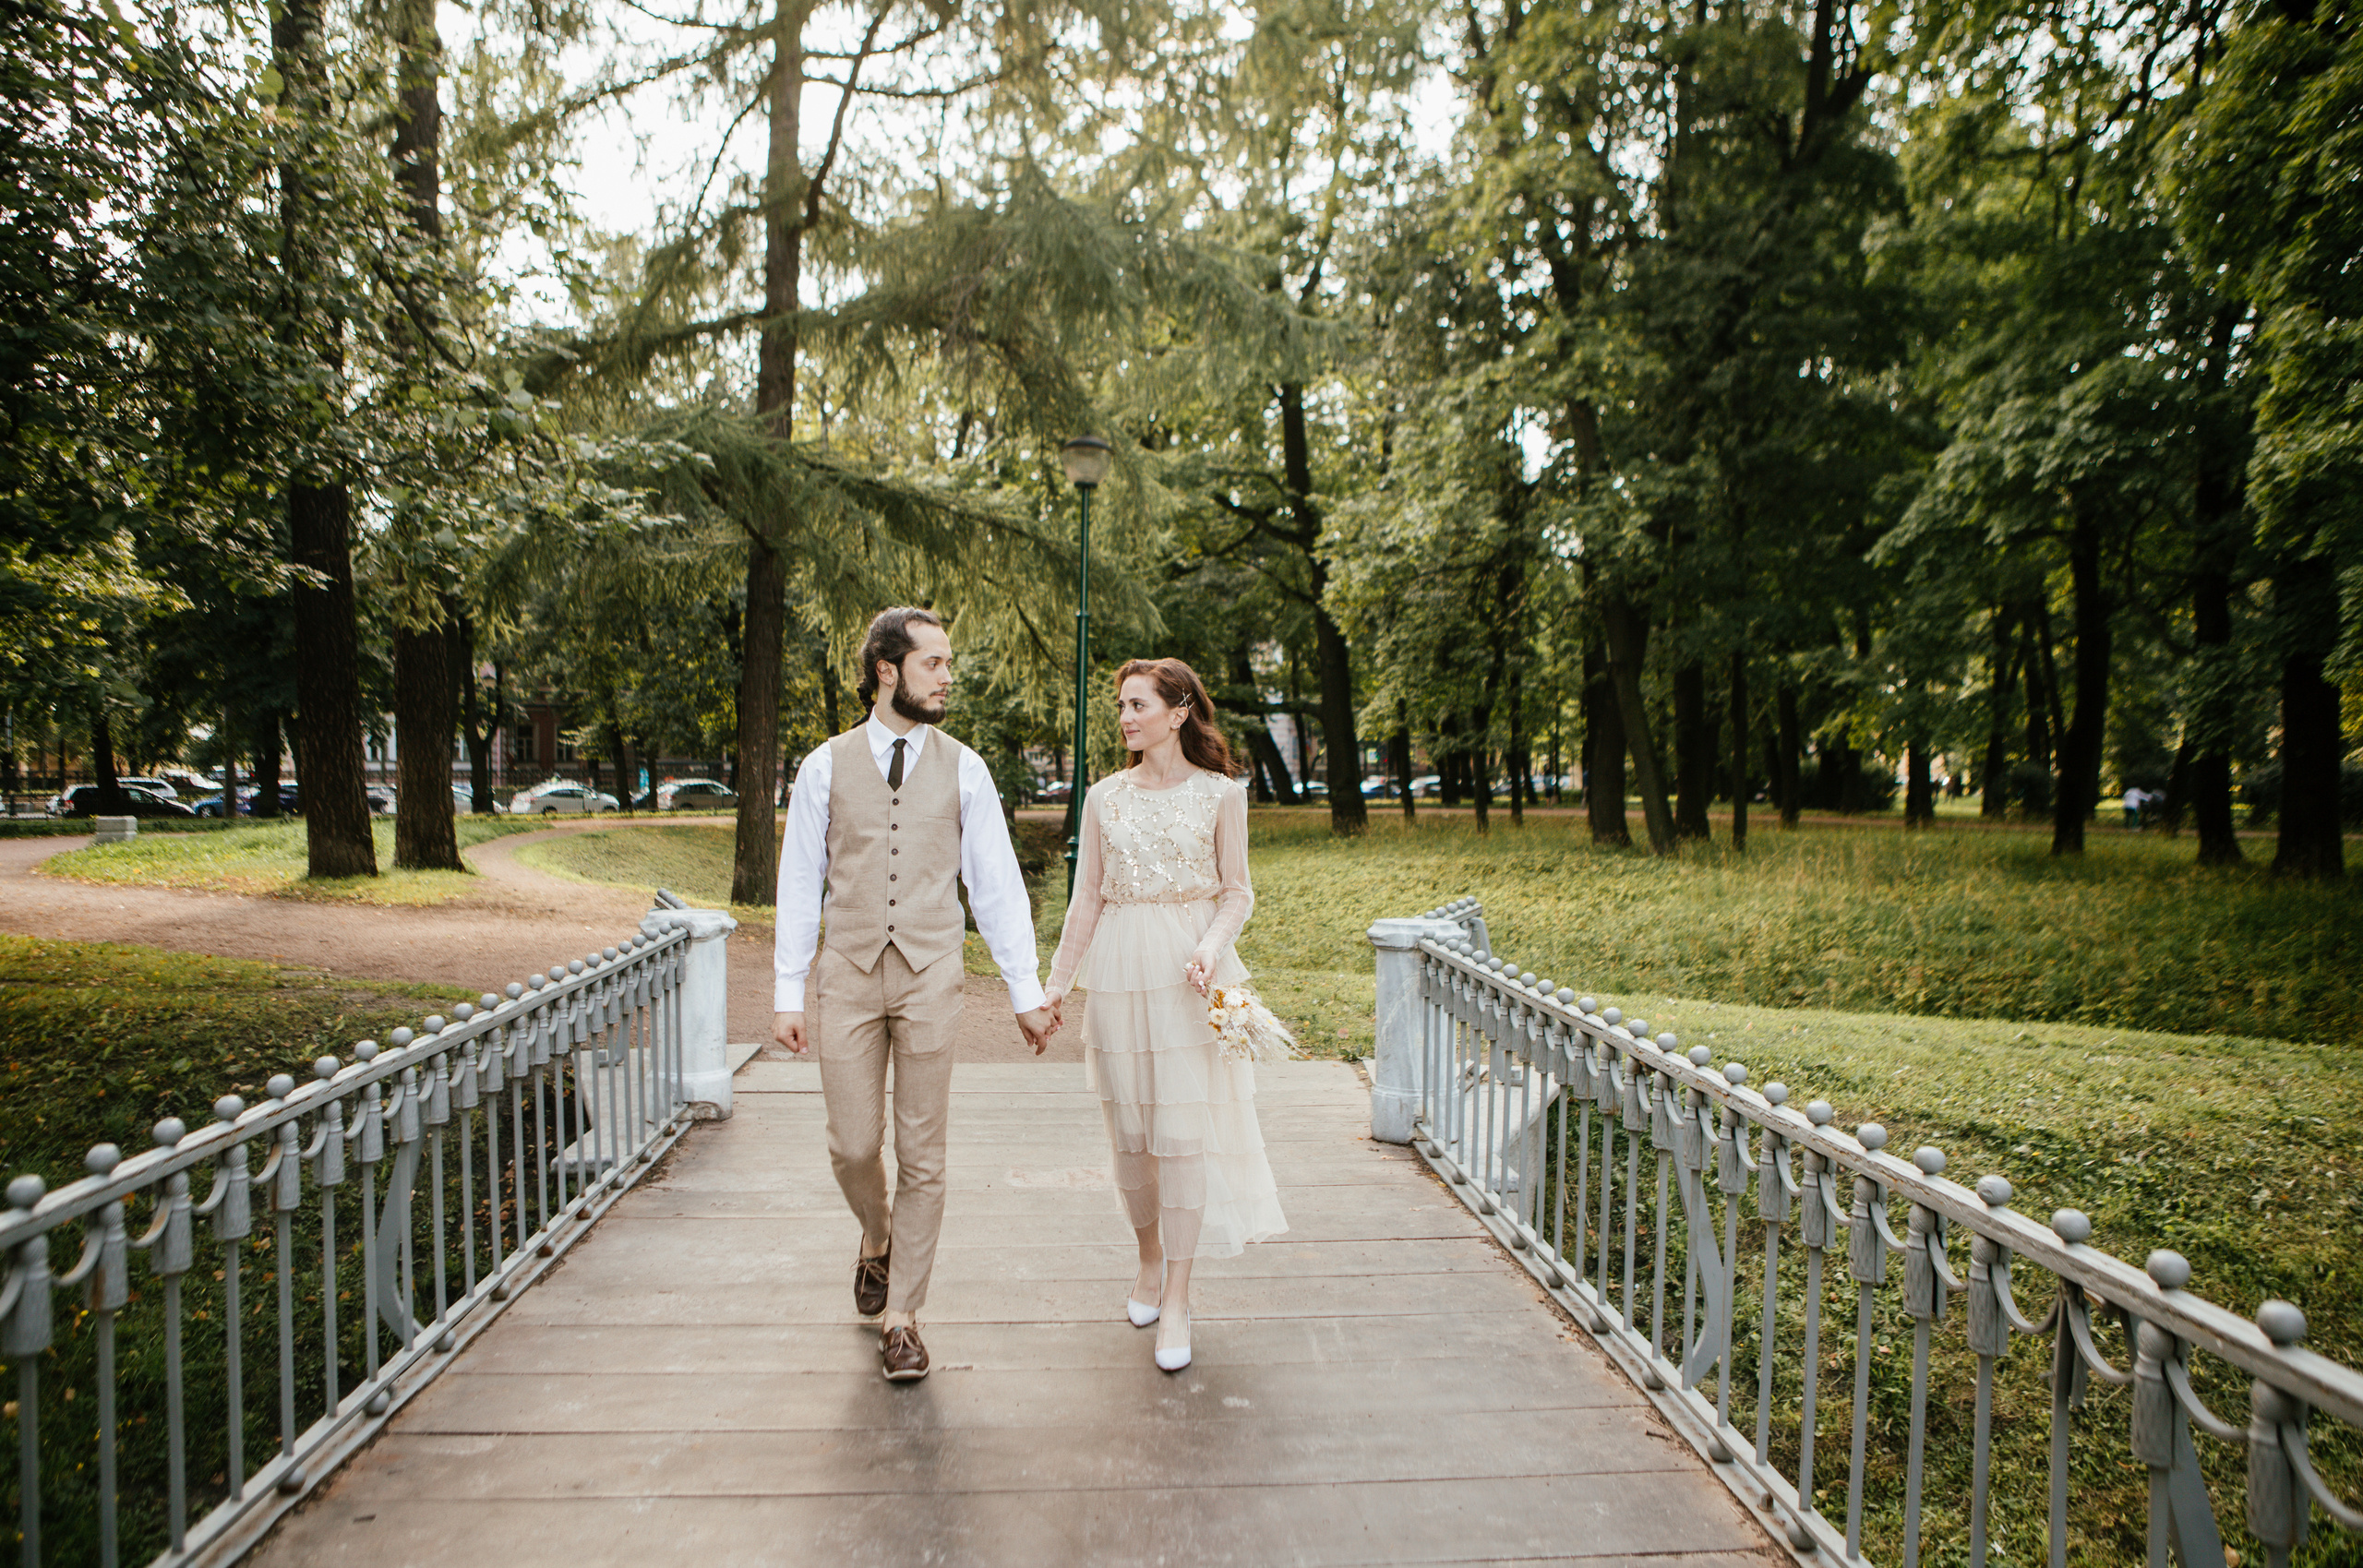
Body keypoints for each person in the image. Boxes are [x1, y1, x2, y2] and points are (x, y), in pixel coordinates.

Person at [772, 607, 1059, 1382]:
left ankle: (903, 1316)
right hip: (850, 973)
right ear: (887, 670)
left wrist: (1025, 990)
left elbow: (994, 884)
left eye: (949, 662)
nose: (948, 677)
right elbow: (799, 883)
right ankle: (875, 1234)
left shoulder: (965, 767)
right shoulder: (823, 766)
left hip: (933, 973)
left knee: (924, 1153)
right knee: (853, 1144)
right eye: (934, 662)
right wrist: (786, 992)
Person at [1043, 657, 1287, 1372]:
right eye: (1121, 705)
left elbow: (1237, 893)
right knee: (1133, 1138)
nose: (1124, 716)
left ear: (1178, 712)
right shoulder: (1103, 797)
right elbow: (1086, 899)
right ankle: (1147, 1261)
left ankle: (1177, 1295)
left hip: (1190, 976)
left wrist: (1210, 947)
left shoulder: (1221, 795)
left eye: (1138, 704)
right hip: (1119, 972)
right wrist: (1053, 986)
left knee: (1182, 1136)